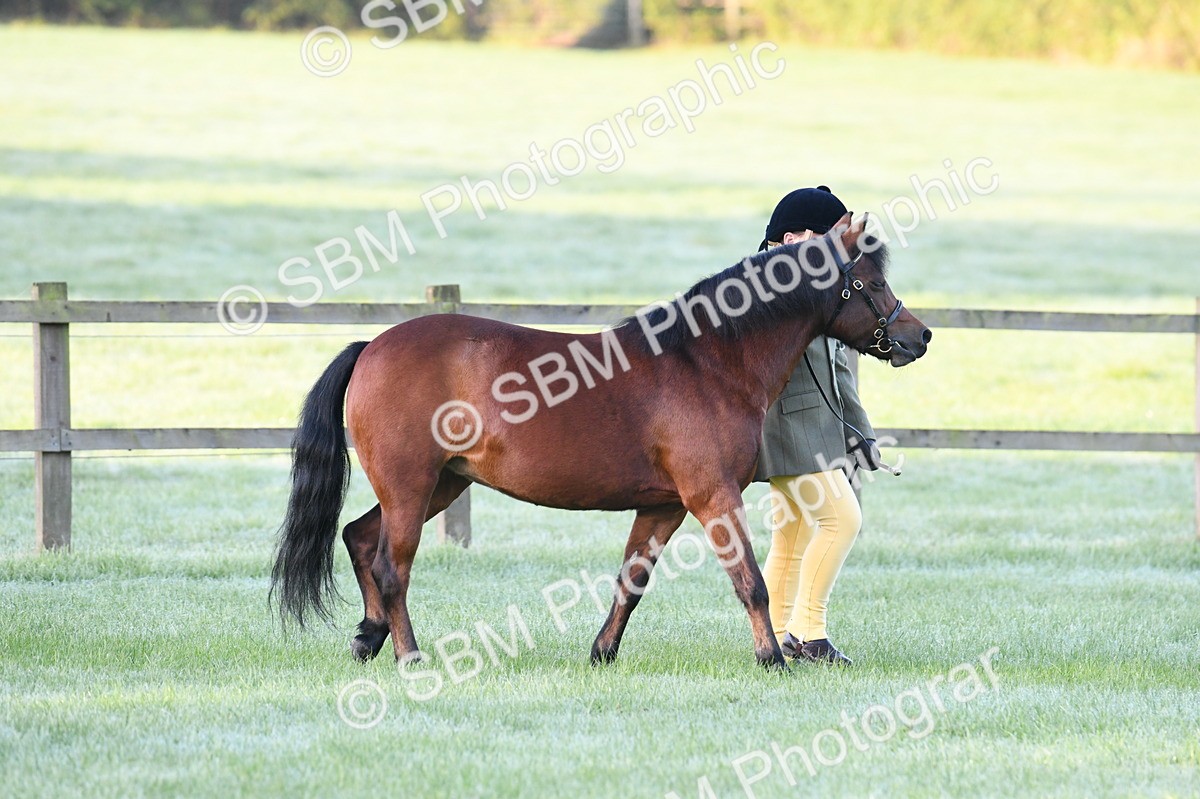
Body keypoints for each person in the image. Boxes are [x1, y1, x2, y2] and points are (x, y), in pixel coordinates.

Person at [754, 186, 882, 667]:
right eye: (831, 238)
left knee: (792, 535)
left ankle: (782, 634)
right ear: (794, 237)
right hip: (787, 429)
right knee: (842, 519)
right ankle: (811, 633)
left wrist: (862, 433)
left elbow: (840, 371)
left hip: (816, 430)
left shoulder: (817, 284)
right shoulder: (764, 288)